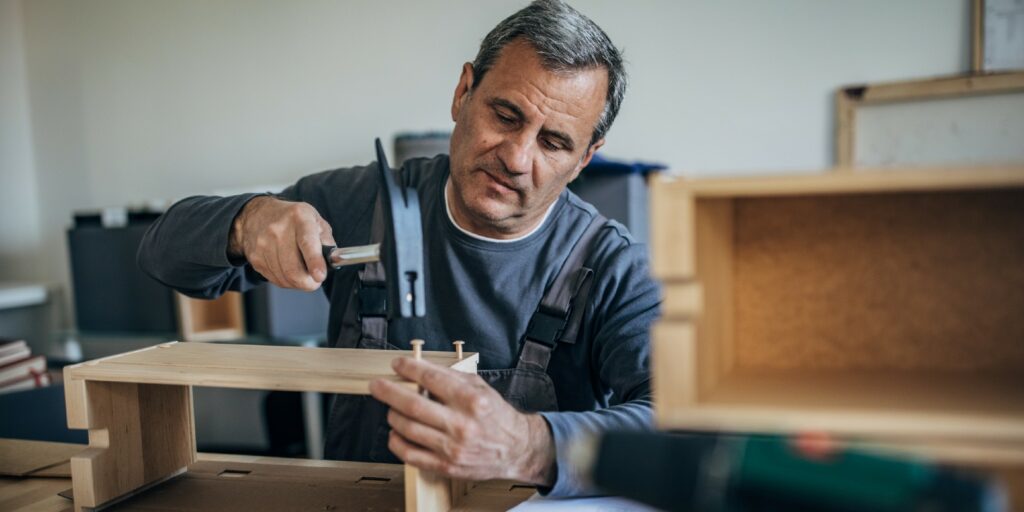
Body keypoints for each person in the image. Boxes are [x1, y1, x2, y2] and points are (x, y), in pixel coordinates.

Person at [138, 0, 659, 497]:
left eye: (553, 143)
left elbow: (684, 424)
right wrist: (247, 222)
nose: (517, 157)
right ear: (463, 93)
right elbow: (160, 254)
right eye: (505, 115)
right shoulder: (361, 203)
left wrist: (529, 446)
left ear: (586, 157)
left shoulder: (614, 268)